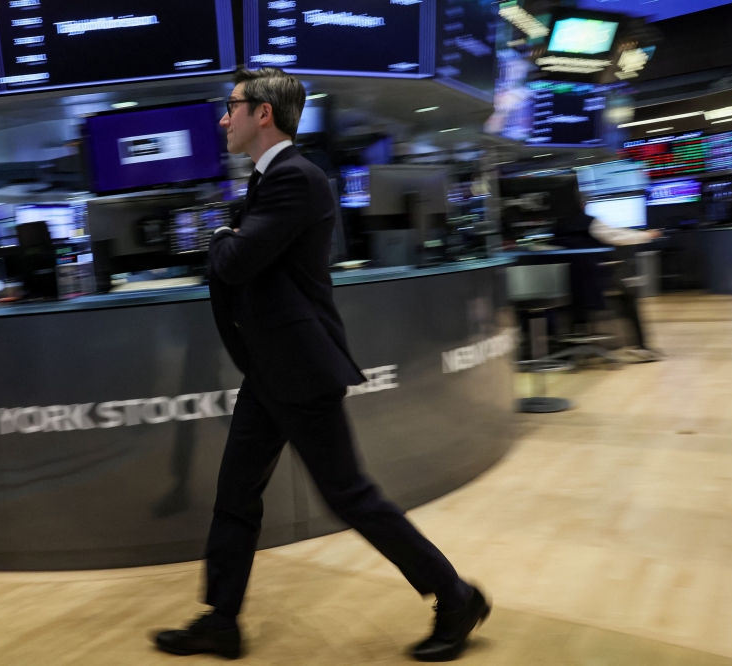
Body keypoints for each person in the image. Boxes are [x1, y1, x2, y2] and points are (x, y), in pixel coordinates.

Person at [152, 68, 489, 662]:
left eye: (231, 107)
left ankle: (456, 596)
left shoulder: (295, 179)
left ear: (264, 114)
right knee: (236, 494)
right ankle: (221, 620)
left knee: (351, 496)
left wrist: (220, 239)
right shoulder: (270, 179)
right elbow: (245, 258)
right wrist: (230, 237)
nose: (222, 119)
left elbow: (236, 262)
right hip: (271, 367)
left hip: (299, 369)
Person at [557, 195, 664, 362]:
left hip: (566, 286)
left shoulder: (558, 225)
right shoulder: (588, 222)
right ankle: (640, 347)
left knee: (580, 303)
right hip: (591, 283)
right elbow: (615, 236)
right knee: (628, 296)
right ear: (580, 204)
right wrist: (646, 235)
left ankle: (575, 339)